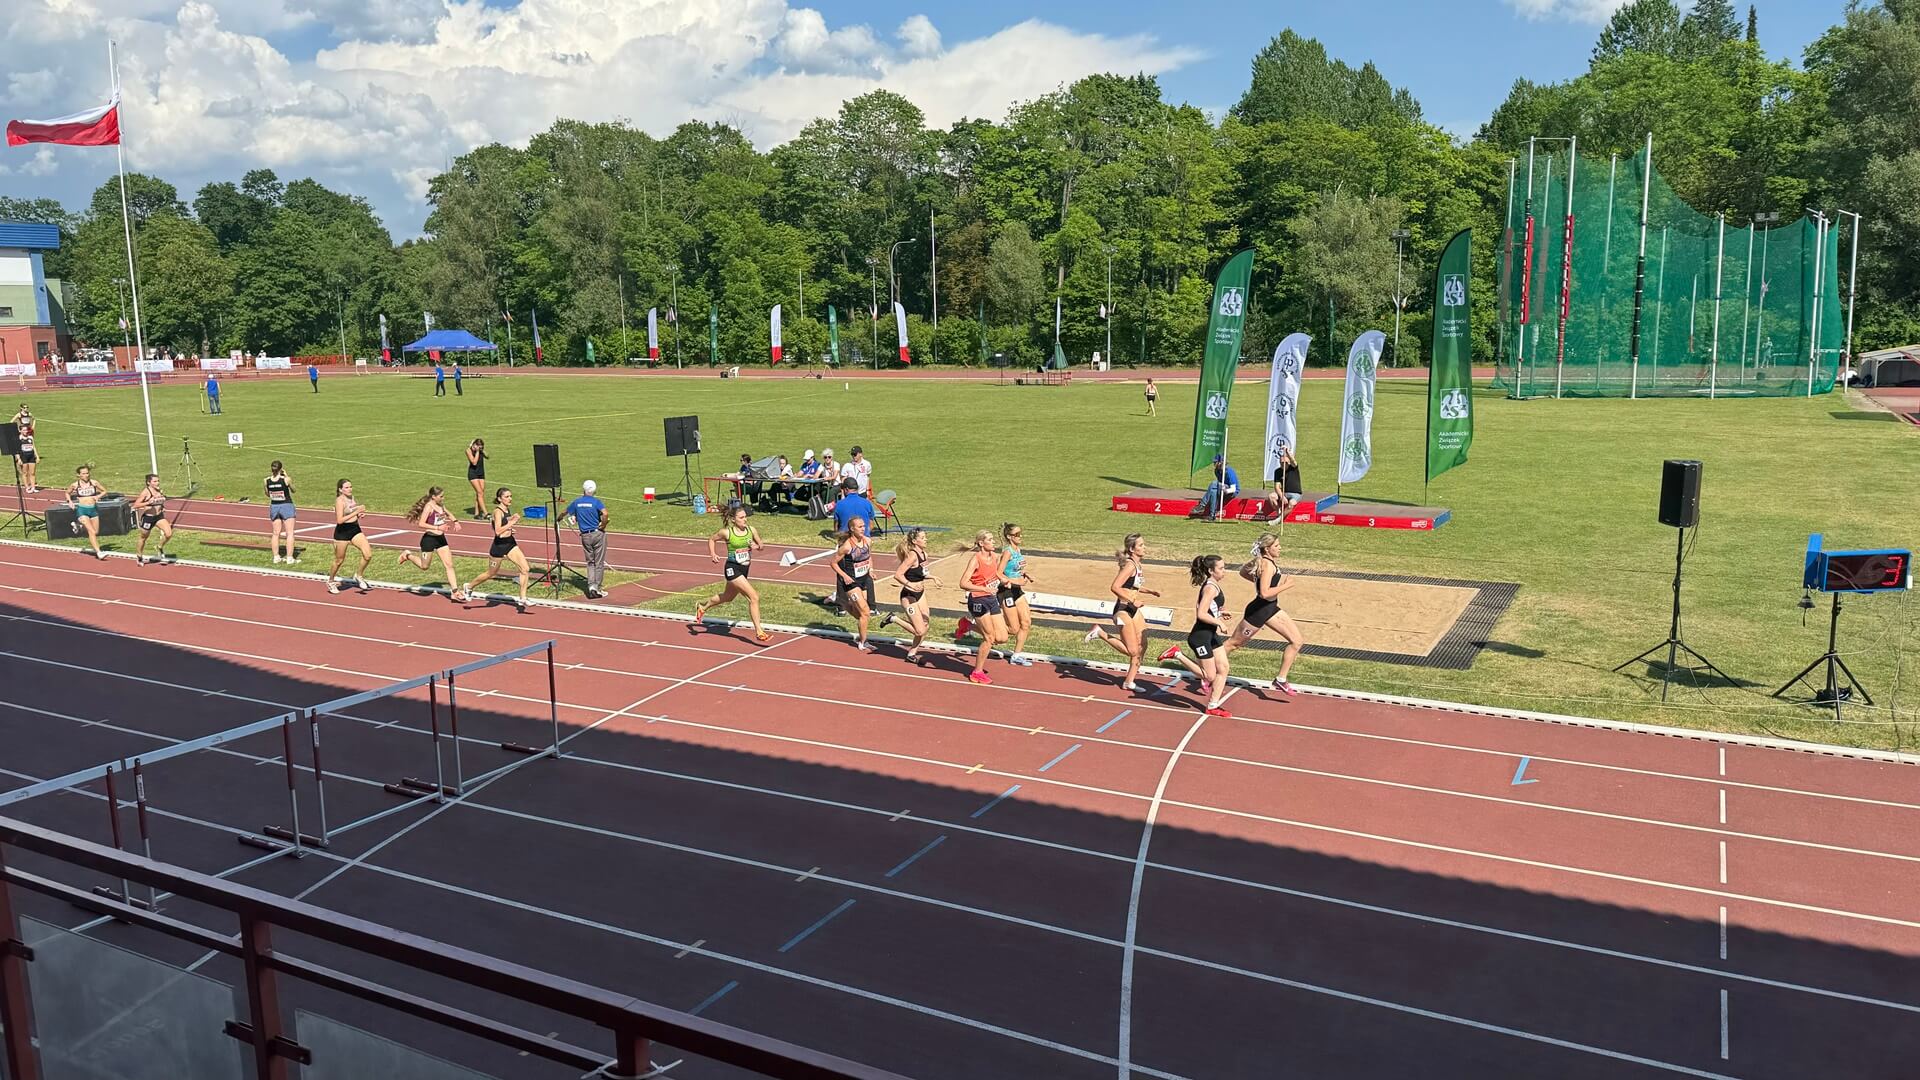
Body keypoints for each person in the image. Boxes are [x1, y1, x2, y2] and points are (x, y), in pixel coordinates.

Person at [1221, 532, 1304, 694]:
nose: (1280, 548)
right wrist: (1286, 586)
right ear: (1267, 549)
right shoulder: (1267, 565)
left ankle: (1281, 679)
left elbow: (1244, 572)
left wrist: (1258, 581)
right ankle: (1204, 669)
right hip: (1258, 611)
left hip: (1271, 609)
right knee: (1233, 644)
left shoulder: (1264, 562)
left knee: (1297, 641)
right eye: (1276, 546)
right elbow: (1264, 594)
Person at [1157, 556, 1235, 718]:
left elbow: (1209, 608)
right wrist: (1219, 623)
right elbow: (1201, 613)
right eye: (1221, 568)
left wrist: (1220, 613)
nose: (1224, 571)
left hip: (1210, 634)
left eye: (1224, 567)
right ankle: (1176, 654)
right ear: (1211, 571)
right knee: (1209, 676)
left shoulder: (1214, 586)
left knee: (1224, 668)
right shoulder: (1210, 588)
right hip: (1200, 637)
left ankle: (1213, 705)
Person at [1086, 534, 1159, 691]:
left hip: (1134, 609)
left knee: (1143, 645)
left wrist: (1150, 591)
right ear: (1132, 549)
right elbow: (1115, 587)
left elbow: (1132, 586)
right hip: (1123, 610)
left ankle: (1129, 682)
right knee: (1132, 650)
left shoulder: (1138, 566)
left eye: (1144, 544)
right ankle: (1099, 633)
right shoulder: (1130, 566)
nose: (1144, 547)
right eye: (1141, 545)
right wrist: (1133, 601)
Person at [694, 504, 771, 643]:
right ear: (733, 519)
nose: (745, 520)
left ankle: (702, 607)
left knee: (728, 597)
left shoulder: (751, 530)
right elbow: (712, 539)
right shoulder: (727, 532)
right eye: (741, 518)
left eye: (745, 517)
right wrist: (713, 554)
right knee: (754, 597)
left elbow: (762, 545)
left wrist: (757, 546)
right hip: (732, 568)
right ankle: (759, 632)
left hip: (744, 569)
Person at [458, 487, 530, 612]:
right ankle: (469, 586)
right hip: (499, 546)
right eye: (506, 497)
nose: (510, 499)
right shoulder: (498, 511)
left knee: (525, 569)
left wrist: (510, 529)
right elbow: (497, 531)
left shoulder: (507, 509)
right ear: (499, 499)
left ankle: (523, 598)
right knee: (491, 573)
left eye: (510, 496)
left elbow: (503, 526)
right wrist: (512, 523)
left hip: (510, 544)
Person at [954, 530, 1008, 684]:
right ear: (981, 543)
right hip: (978, 600)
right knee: (989, 638)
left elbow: (996, 574)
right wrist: (983, 589)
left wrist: (1007, 581)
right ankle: (976, 673)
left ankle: (967, 625)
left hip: (991, 599)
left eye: (993, 539)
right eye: (990, 540)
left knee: (1002, 637)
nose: (994, 542)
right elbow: (963, 583)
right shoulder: (976, 559)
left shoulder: (994, 557)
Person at [881, 527, 937, 661]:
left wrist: (933, 577)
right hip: (908, 595)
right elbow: (898, 575)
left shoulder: (924, 554)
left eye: (925, 537)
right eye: (922, 538)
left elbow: (922, 573)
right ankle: (893, 618)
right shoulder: (912, 556)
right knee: (920, 631)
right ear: (914, 541)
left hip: (920, 593)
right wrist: (910, 584)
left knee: (925, 624)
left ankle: (912, 653)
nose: (926, 540)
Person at [397, 486, 461, 600]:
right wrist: (438, 527)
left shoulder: (441, 505)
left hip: (441, 539)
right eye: (441, 496)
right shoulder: (428, 507)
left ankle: (455, 591)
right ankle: (407, 555)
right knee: (424, 566)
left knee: (449, 565)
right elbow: (421, 524)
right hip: (429, 540)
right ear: (433, 497)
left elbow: (448, 513)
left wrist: (455, 521)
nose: (443, 498)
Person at [830, 515, 879, 652]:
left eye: (864, 526)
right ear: (852, 529)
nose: (863, 529)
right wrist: (844, 576)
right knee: (865, 612)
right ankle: (863, 642)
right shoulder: (846, 546)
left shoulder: (868, 541)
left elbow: (868, 557)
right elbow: (833, 563)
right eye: (860, 527)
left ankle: (842, 602)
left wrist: (871, 570)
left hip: (863, 579)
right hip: (851, 582)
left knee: (860, 614)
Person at [997, 523, 1037, 666]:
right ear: (1009, 537)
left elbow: (1015, 569)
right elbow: (998, 573)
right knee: (1013, 629)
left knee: (1026, 623)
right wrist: (1014, 581)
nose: (1021, 537)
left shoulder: (1017, 549)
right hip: (1006, 591)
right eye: (1017, 534)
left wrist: (1025, 574)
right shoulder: (1007, 552)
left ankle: (1016, 655)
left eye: (1021, 533)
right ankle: (977, 625)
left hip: (1017, 591)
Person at [562, 479, 610, 599]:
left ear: (584, 489)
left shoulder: (577, 502)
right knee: (599, 562)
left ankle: (591, 586)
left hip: (585, 535)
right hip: (597, 533)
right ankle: (597, 587)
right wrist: (603, 525)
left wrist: (558, 519)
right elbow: (605, 513)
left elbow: (565, 512)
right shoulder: (596, 502)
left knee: (590, 562)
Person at [326, 479, 374, 593]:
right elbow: (340, 520)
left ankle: (358, 575)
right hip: (342, 533)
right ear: (340, 490)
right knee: (339, 560)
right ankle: (331, 581)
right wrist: (356, 512)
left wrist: (359, 514)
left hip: (355, 529)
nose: (350, 489)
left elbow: (352, 512)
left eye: (350, 487)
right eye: (347, 487)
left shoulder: (351, 498)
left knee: (368, 555)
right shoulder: (339, 501)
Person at [130, 473, 175, 565]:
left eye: (158, 481)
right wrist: (147, 503)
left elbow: (160, 501)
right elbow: (135, 505)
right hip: (148, 518)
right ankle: (139, 556)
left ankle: (159, 547)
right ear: (148, 482)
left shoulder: (159, 490)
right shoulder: (146, 492)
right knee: (143, 538)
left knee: (168, 533)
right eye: (155, 481)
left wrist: (162, 507)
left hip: (159, 517)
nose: (157, 483)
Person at [64, 465, 106, 560]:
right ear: (78, 475)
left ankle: (79, 526)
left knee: (96, 531)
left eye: (87, 473)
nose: (86, 475)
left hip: (93, 509)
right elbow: (67, 493)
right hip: (82, 510)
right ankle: (99, 552)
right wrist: (69, 501)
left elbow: (104, 491)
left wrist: (98, 497)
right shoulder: (75, 485)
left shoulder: (94, 482)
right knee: (91, 531)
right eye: (83, 473)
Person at [265, 460, 298, 564]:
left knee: (275, 533)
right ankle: (289, 558)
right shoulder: (286, 479)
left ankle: (276, 557)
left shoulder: (266, 480)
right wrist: (287, 477)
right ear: (281, 469)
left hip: (274, 506)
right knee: (290, 533)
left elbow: (267, 494)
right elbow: (293, 490)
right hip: (286, 505)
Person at [1262, 445, 1302, 521]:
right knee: (1271, 496)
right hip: (1284, 492)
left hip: (1296, 493)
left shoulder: (1293, 468)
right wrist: (1282, 496)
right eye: (1281, 462)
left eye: (1285, 462)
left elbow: (1293, 460)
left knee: (1291, 503)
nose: (1283, 464)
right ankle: (1279, 513)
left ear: (1288, 462)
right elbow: (1277, 487)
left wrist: (1287, 451)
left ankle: (1278, 520)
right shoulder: (1277, 471)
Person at [1192, 455, 1239, 520]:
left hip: (1231, 492)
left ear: (1220, 462)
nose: (1214, 464)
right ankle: (1212, 515)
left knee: (1213, 484)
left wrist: (1226, 490)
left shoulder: (1229, 471)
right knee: (1213, 491)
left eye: (1215, 462)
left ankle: (1202, 505)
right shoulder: (1216, 471)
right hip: (1221, 488)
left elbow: (1234, 489)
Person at [12, 405, 37, 492]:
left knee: (32, 472)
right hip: (23, 455)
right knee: (25, 472)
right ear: (21, 408)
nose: (26, 409)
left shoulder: (29, 414)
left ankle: (33, 487)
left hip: (28, 430)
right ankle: (27, 487)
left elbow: (34, 419)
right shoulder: (19, 415)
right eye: (25, 407)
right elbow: (12, 421)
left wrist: (33, 426)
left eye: (27, 407)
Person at [465, 438, 487, 519]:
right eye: (478, 446)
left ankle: (477, 513)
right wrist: (477, 452)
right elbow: (474, 462)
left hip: (481, 473)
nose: (479, 448)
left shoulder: (481, 450)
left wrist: (482, 450)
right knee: (480, 492)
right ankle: (485, 513)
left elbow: (488, 456)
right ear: (474, 445)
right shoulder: (468, 450)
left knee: (480, 493)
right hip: (473, 474)